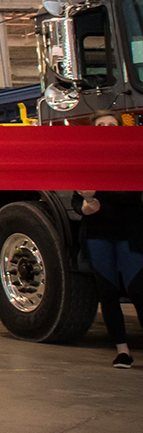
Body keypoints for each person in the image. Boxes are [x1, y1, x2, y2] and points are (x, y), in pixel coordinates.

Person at [74, 110, 143, 370]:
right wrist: (87, 203)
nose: (105, 127)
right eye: (100, 125)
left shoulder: (133, 159)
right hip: (98, 236)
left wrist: (96, 194)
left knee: (138, 291)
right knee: (108, 293)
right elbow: (79, 203)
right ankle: (122, 351)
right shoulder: (86, 163)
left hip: (130, 234)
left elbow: (131, 196)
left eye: (110, 124)